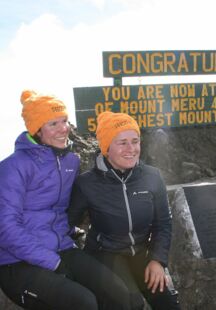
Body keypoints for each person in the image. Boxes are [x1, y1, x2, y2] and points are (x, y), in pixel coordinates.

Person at [0, 90, 133, 310]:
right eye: (53, 124)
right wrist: (52, 262)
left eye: (64, 121)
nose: (63, 129)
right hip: (16, 261)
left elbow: (60, 210)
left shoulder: (69, 161)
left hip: (60, 247)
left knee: (118, 293)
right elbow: (5, 228)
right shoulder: (12, 167)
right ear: (37, 129)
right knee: (83, 302)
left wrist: (70, 234)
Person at [68, 111, 181, 310]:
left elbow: (163, 223)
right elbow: (67, 223)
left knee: (168, 302)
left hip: (141, 251)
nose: (131, 149)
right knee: (130, 302)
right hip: (106, 253)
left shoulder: (152, 176)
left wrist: (157, 261)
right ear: (106, 147)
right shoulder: (87, 183)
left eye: (135, 141)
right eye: (122, 143)